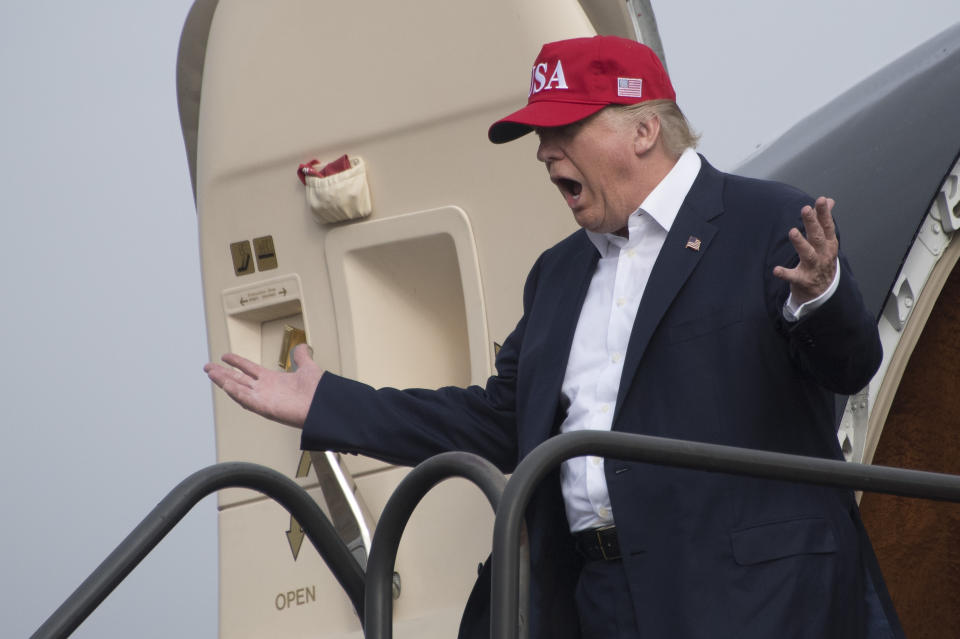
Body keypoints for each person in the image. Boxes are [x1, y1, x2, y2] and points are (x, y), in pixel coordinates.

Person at [206, 36, 903, 639]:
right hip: (597, 598)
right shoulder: (559, 273)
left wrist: (822, 297)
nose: (544, 152)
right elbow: (499, 419)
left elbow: (849, 365)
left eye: (564, 128)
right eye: (539, 136)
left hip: (752, 600)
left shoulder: (768, 220)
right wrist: (329, 402)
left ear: (643, 130)